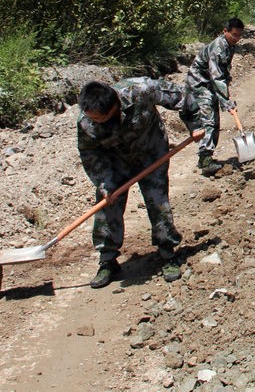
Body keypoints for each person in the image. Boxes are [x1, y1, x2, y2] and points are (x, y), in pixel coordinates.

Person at [77, 77, 187, 288]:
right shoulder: (86, 121)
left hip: (151, 154)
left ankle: (167, 253)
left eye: (101, 119)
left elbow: (181, 97)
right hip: (116, 161)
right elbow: (90, 154)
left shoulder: (141, 90)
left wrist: (196, 125)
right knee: (107, 204)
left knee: (157, 201)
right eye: (93, 119)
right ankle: (107, 260)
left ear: (114, 107)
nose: (96, 123)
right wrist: (104, 183)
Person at [181, 17, 244, 176]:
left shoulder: (230, 46)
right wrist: (226, 101)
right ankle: (205, 159)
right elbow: (216, 77)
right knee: (208, 118)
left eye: (239, 35)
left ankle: (206, 155)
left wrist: (225, 96)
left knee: (215, 119)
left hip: (210, 83)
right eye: (234, 35)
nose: (237, 38)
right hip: (198, 84)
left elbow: (223, 72)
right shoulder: (217, 48)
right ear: (225, 31)